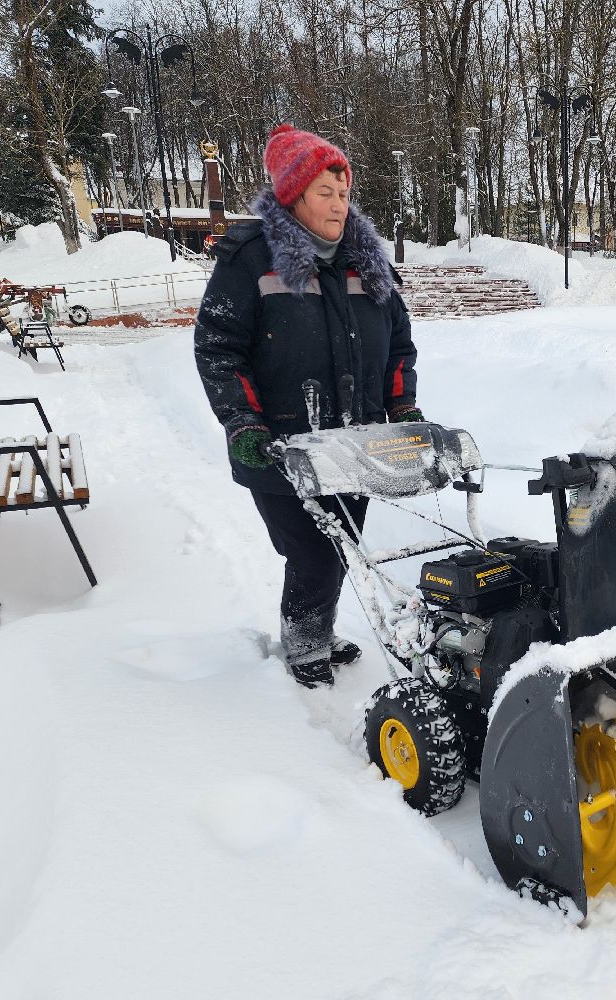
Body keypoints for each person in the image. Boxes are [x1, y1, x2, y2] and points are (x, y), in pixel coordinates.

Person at [194, 125, 422, 688]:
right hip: (281, 446)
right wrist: (243, 423)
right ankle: (303, 648)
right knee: (315, 553)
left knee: (340, 546)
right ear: (293, 195)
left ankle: (314, 632)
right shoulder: (251, 260)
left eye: (344, 193)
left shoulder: (368, 263)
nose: (339, 205)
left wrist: (403, 408)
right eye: (325, 192)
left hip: (357, 444)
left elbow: (398, 346)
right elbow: (218, 349)